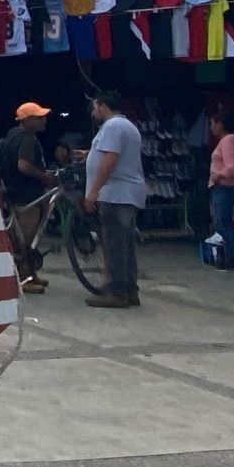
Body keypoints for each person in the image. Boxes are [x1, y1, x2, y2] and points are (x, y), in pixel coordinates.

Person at [82, 90, 147, 308]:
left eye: (94, 108)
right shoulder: (127, 126)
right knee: (125, 244)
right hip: (126, 193)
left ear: (102, 106)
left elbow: (111, 158)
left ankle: (117, 292)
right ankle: (129, 289)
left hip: (114, 194)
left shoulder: (112, 126)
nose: (93, 113)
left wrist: (93, 191)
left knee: (114, 244)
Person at [0, 102, 57, 293]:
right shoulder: (27, 139)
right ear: (26, 120)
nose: (43, 121)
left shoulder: (12, 135)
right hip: (26, 194)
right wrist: (44, 177)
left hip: (14, 192)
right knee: (25, 240)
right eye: (38, 118)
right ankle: (24, 279)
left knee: (24, 238)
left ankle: (30, 274)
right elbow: (24, 166)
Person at [206, 102, 234, 270]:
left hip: (225, 186)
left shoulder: (228, 140)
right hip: (228, 186)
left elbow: (232, 167)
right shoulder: (231, 140)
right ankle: (233, 257)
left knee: (222, 225)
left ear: (220, 124)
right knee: (225, 224)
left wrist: (217, 176)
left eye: (213, 124)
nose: (211, 128)